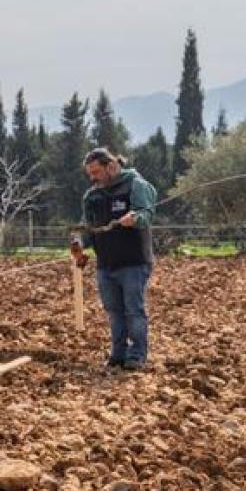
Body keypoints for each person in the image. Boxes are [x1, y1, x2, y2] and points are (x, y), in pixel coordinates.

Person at [70, 148, 158, 371]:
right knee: (113, 310)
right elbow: (87, 228)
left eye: (96, 172)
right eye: (90, 173)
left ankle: (137, 355)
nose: (93, 177)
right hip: (106, 264)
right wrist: (79, 243)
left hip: (134, 261)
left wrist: (136, 218)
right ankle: (118, 354)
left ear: (111, 166)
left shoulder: (135, 185)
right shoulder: (92, 196)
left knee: (133, 310)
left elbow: (147, 214)